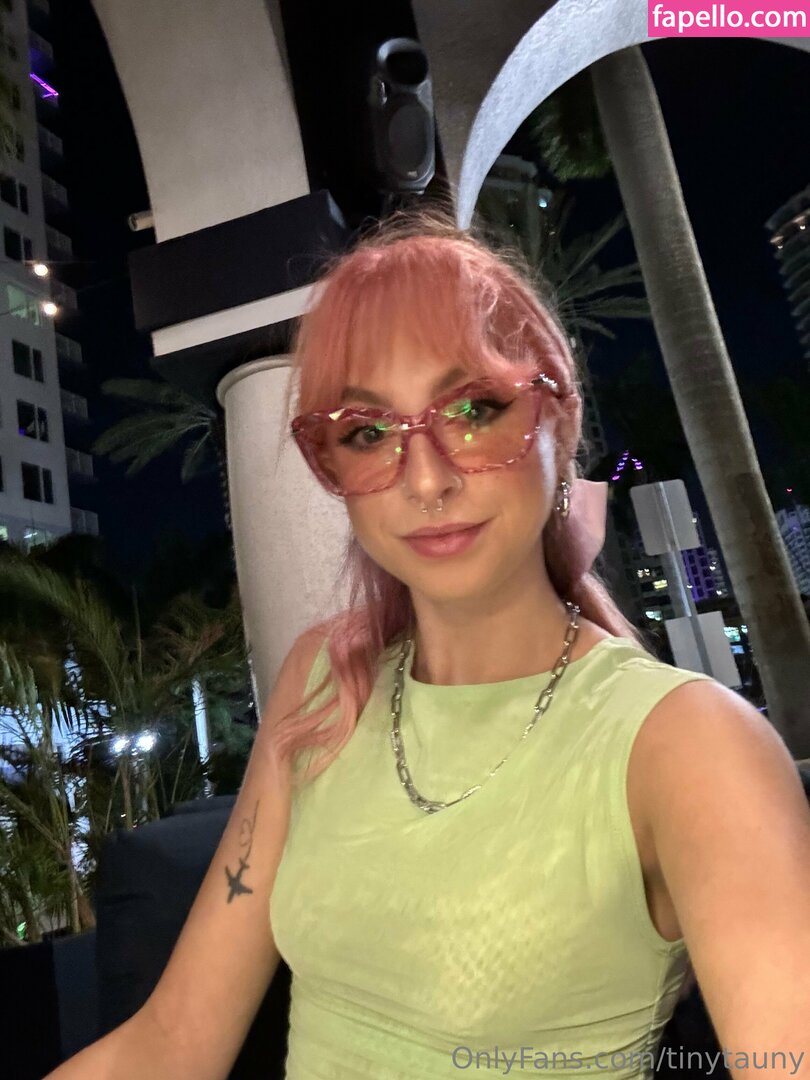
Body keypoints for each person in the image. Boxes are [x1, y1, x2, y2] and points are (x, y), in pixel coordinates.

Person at [48, 214, 810, 1080]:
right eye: (367, 432)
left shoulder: (691, 747)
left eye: (476, 409)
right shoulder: (322, 683)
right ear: (332, 468)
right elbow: (174, 1040)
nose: (426, 478)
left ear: (559, 420)